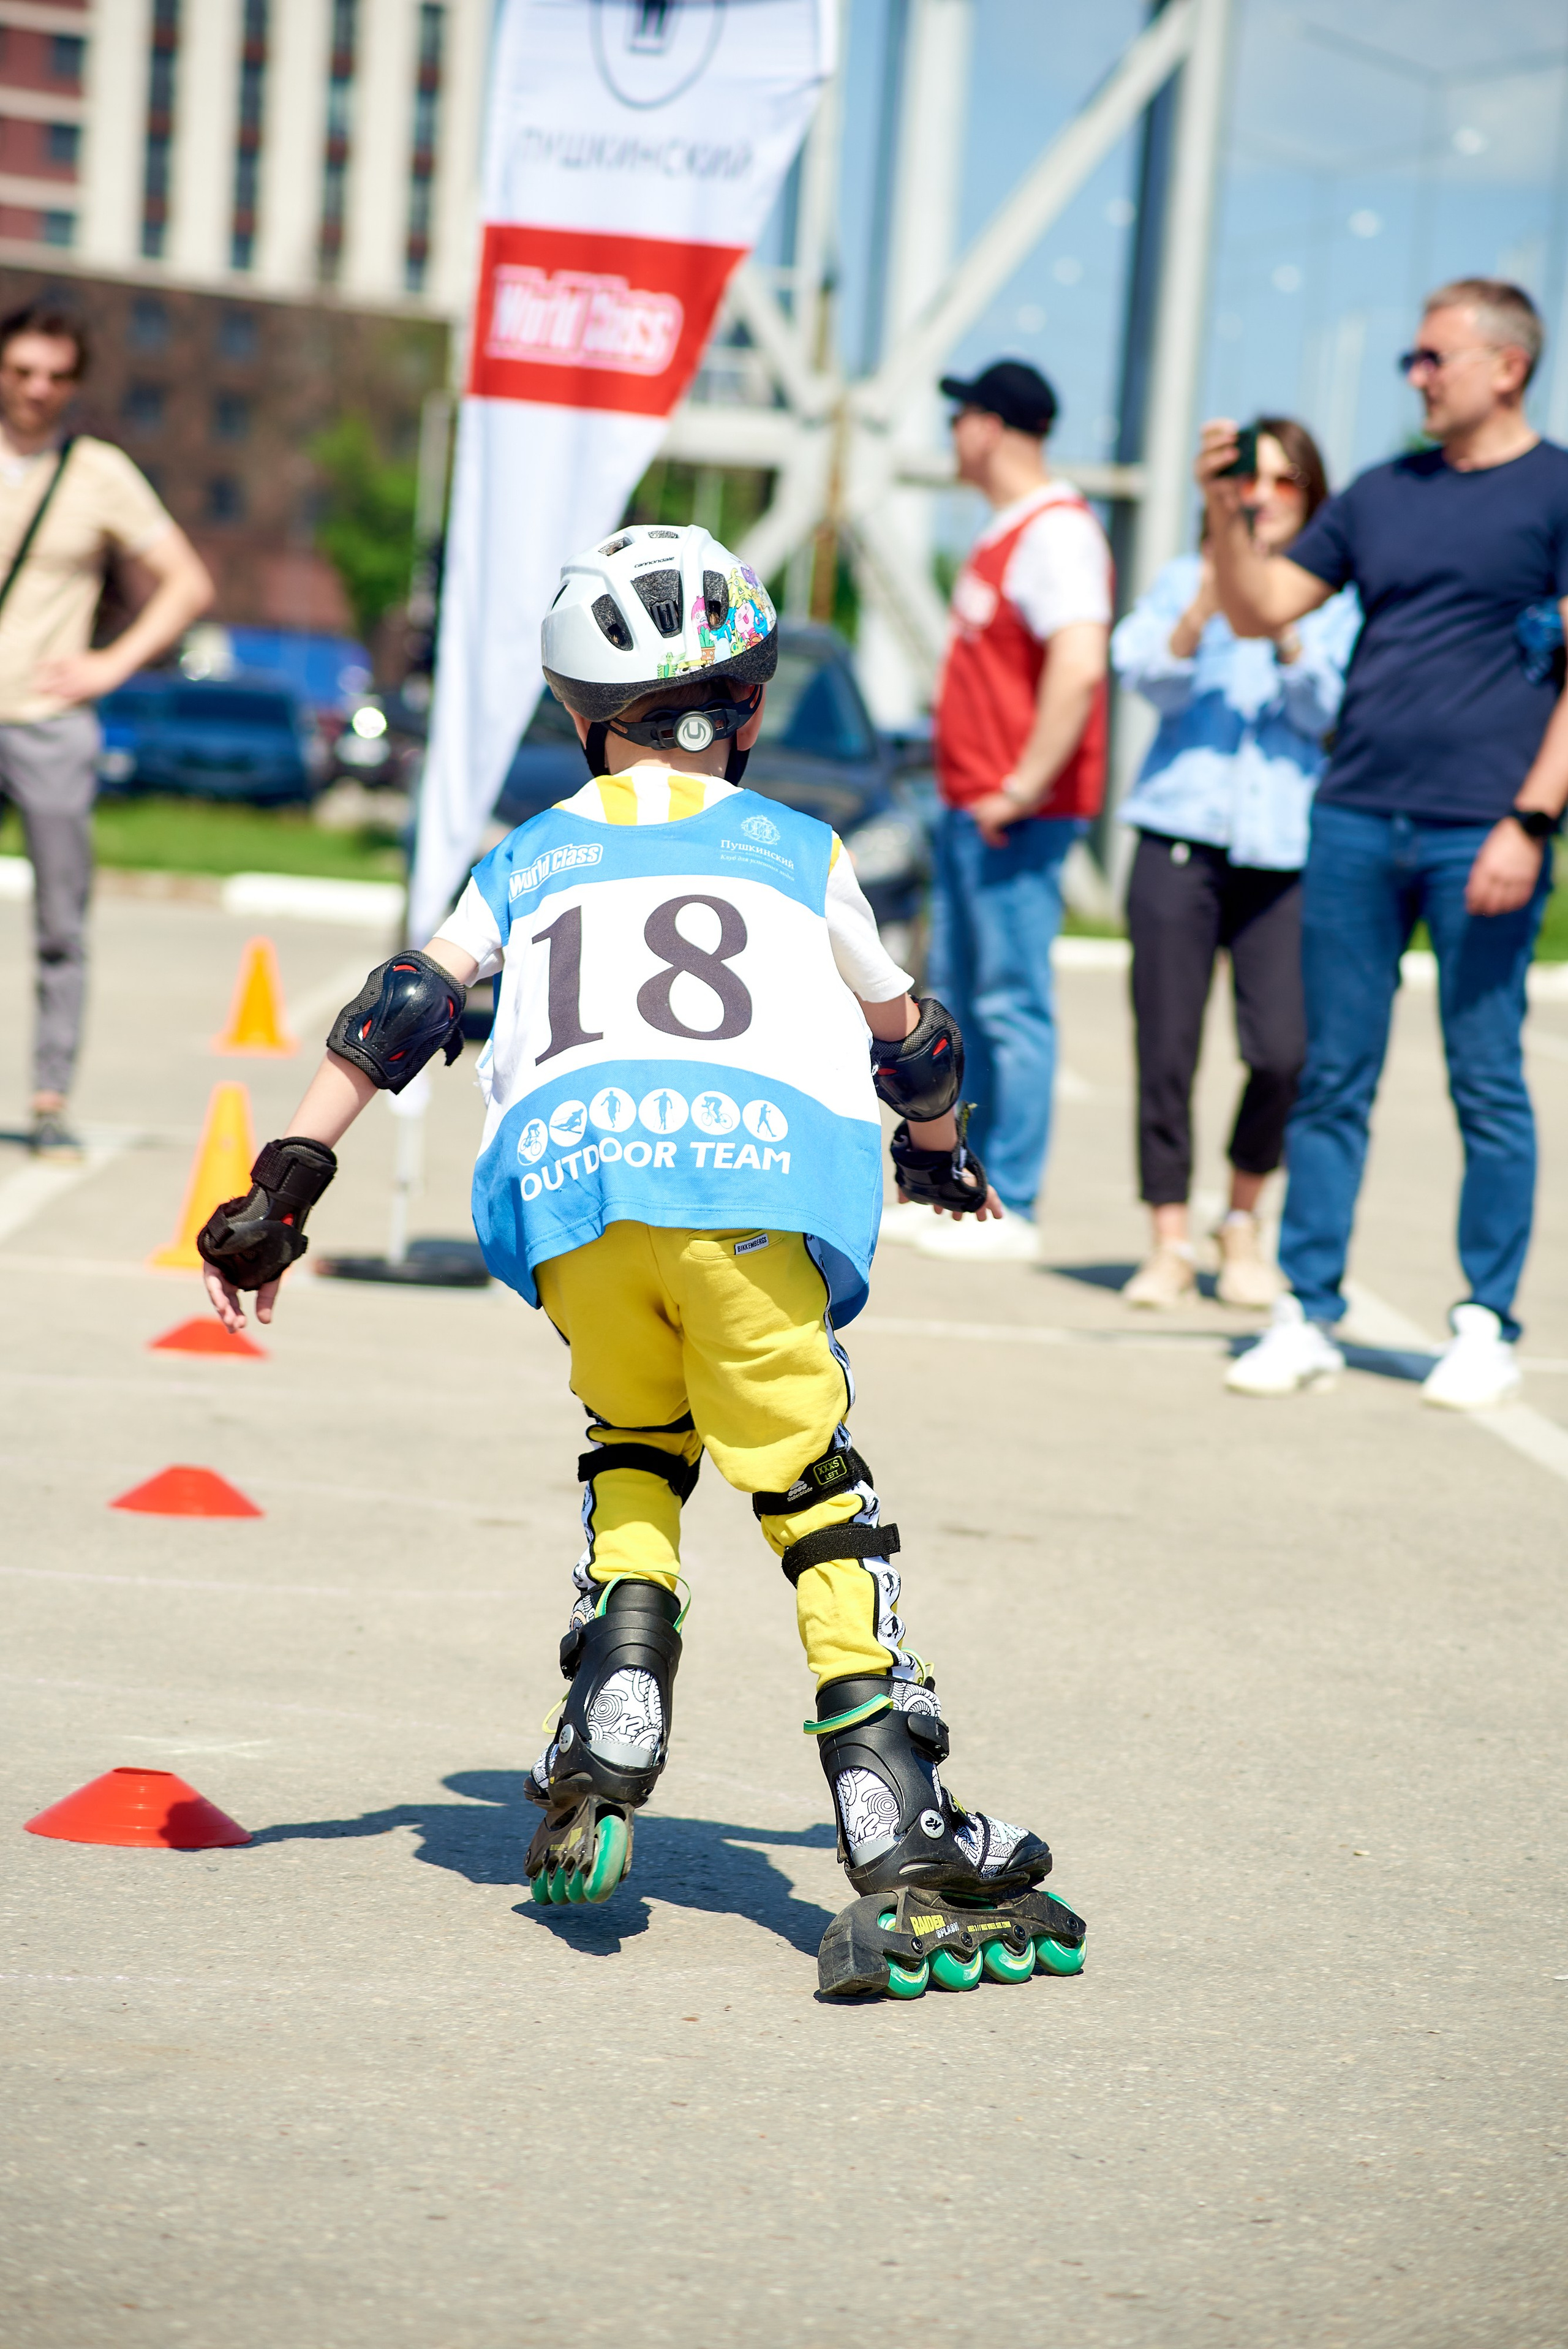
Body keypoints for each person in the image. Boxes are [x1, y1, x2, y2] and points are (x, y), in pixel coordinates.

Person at [195, 524, 1087, 2000]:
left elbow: (403, 1007)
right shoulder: (797, 850)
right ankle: (899, 1825)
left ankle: (612, 1714)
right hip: (747, 1201)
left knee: (635, 1438)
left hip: (580, 1204)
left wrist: (279, 1191)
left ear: (577, 716)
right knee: (810, 1493)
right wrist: (936, 1150)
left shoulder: (529, 855)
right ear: (741, 709)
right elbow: (909, 1038)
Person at [1202, 279, 1568, 1409]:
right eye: (1412, 356)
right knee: (1330, 1077)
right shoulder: (1379, 491)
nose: (1414, 374)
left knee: (1486, 1076)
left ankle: (1485, 1323)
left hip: (1484, 829)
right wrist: (1225, 508)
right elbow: (1262, 607)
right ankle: (1308, 1309)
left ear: (1506, 366)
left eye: (1433, 357)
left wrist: (1532, 818)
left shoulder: (1557, 489)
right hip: (1357, 815)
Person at [1112, 418, 1360, 1308]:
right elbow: (1143, 674)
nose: (1265, 497)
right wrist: (1211, 600)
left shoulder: (1337, 600)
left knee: (1285, 1051)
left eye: (1287, 482)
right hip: (1179, 838)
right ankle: (1169, 1238)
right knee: (1167, 1048)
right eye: (1251, 481)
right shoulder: (1189, 576)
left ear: (1314, 496)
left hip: (1286, 850)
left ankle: (1243, 1223)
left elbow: (1327, 712)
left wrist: (1279, 619)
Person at [886, 358, 1110, 1264]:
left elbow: (1081, 662)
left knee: (1012, 1003)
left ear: (990, 426)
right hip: (973, 807)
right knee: (968, 1003)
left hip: (1013, 813)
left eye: (961, 417)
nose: (952, 437)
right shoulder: (1007, 532)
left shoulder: (1056, 531)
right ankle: (957, 1186)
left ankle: (1012, 1194)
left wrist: (1022, 784)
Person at [0, 301, 212, 1157]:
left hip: (52, 722)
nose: (38, 390)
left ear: (74, 385)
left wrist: (108, 665)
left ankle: (49, 1100)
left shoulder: (98, 473)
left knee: (61, 924)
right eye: (23, 372)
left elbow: (187, 584)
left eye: (56, 376)